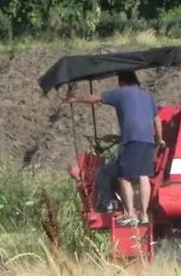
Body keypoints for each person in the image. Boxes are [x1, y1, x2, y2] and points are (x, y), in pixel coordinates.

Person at [67, 72, 164, 226]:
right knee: (144, 175)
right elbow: (157, 120)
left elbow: (96, 98)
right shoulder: (147, 97)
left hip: (131, 140)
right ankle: (144, 215)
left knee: (122, 176)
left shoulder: (121, 93)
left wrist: (75, 98)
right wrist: (159, 139)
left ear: (122, 82)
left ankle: (130, 214)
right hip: (148, 142)